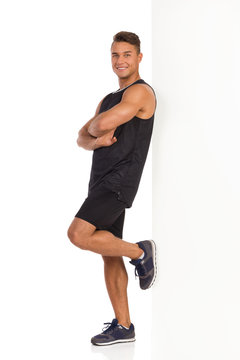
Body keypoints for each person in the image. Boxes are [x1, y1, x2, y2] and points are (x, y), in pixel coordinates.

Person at [67, 31, 157, 346]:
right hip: (100, 180)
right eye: (116, 55)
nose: (120, 61)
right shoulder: (108, 98)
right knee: (108, 253)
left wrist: (94, 130)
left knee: (78, 235)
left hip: (120, 180)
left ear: (139, 58)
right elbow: (82, 137)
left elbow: (98, 125)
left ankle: (141, 251)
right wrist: (94, 134)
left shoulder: (142, 92)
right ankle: (124, 326)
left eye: (127, 54)